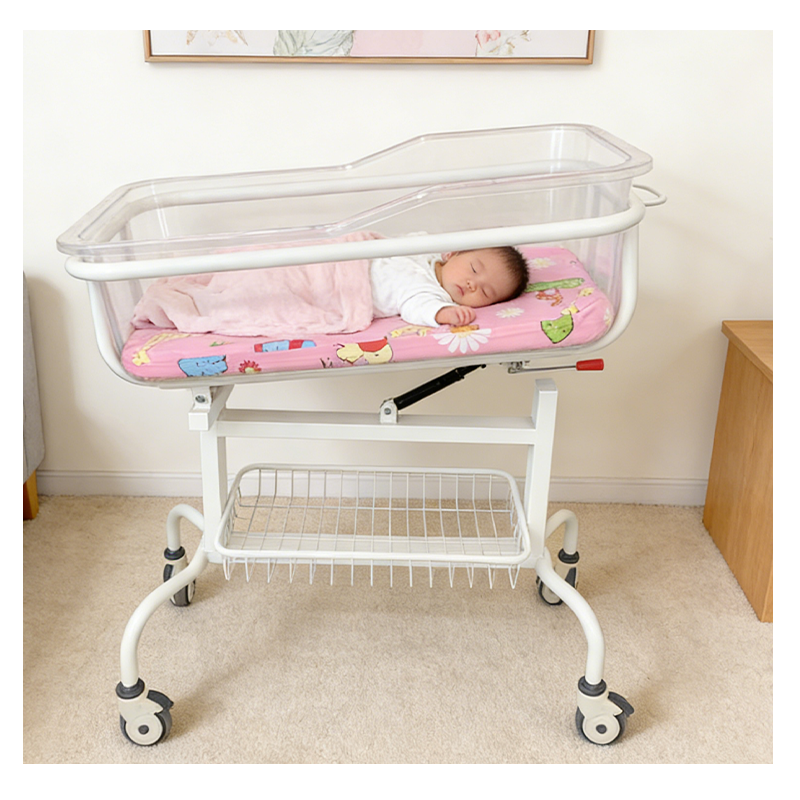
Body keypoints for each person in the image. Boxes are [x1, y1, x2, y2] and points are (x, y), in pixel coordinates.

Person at [371, 246, 529, 328]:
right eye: (474, 269)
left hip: (358, 290)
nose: (472, 285)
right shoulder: (427, 252)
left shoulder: (430, 294)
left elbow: (417, 309)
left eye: (485, 292)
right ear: (452, 253)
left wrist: (444, 313)